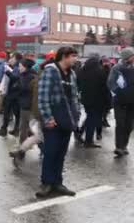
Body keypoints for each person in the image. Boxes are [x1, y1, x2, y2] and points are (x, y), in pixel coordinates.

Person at [36, 47, 80, 199]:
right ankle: (47, 183)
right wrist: (48, 118)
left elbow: (75, 97)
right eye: (73, 56)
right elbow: (42, 96)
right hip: (53, 119)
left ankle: (57, 182)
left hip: (67, 119)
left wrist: (76, 115)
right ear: (64, 57)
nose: (75, 59)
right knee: (50, 152)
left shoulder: (72, 74)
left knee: (61, 152)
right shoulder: (51, 71)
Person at [77, 54, 110, 148]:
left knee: (90, 117)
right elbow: (105, 88)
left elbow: (78, 84)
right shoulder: (100, 72)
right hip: (98, 100)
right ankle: (88, 141)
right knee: (93, 120)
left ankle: (81, 133)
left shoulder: (81, 71)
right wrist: (107, 101)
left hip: (85, 99)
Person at [107, 47, 134, 158]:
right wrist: (117, 93)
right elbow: (110, 82)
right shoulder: (116, 68)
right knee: (120, 124)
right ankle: (119, 147)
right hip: (120, 102)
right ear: (127, 57)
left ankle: (124, 145)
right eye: (132, 56)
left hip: (132, 101)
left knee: (129, 125)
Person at [0, 56, 23, 137]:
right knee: (16, 113)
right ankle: (15, 130)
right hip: (15, 94)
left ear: (16, 59)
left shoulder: (17, 68)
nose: (10, 60)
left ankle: (4, 130)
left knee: (8, 112)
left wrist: (7, 72)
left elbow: (15, 78)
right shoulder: (16, 67)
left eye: (12, 58)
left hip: (13, 94)